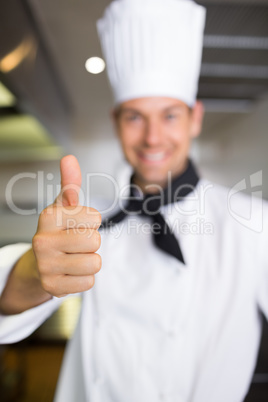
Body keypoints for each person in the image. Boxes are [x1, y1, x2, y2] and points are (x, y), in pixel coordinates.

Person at [0, 0, 267, 401]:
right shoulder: (88, 216)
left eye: (170, 116)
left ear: (195, 118)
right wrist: (33, 274)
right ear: (115, 121)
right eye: (135, 116)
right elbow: (9, 303)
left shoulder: (254, 222)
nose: (153, 138)